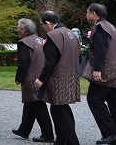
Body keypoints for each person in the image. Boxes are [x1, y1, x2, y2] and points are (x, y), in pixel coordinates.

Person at [34, 11, 81, 145]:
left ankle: (72, 141)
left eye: (43, 25)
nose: (43, 27)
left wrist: (41, 79)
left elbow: (50, 61)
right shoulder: (71, 34)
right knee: (57, 108)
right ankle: (60, 139)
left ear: (48, 23)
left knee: (61, 110)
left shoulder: (53, 35)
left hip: (58, 77)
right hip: (71, 75)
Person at [12, 18, 54, 142]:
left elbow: (23, 62)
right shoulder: (41, 40)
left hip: (31, 78)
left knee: (37, 104)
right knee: (30, 103)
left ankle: (48, 134)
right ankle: (24, 130)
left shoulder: (24, 42)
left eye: (18, 28)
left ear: (24, 30)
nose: (17, 30)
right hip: (42, 76)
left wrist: (19, 78)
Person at [81, 3, 116, 145]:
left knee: (94, 100)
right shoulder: (112, 27)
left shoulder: (100, 27)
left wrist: (98, 69)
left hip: (105, 71)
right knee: (114, 102)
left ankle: (110, 133)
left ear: (94, 14)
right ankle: (115, 134)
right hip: (115, 71)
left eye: (87, 12)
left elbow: (100, 49)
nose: (86, 15)